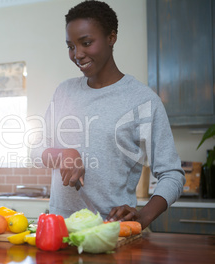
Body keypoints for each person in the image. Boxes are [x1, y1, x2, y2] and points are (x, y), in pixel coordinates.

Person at [30, 0, 185, 229]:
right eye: (70, 46)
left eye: (86, 43)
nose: (77, 54)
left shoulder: (142, 100)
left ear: (111, 37)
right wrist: (64, 153)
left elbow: (172, 174)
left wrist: (143, 217)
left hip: (111, 231)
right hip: (59, 230)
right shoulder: (64, 92)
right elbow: (35, 150)